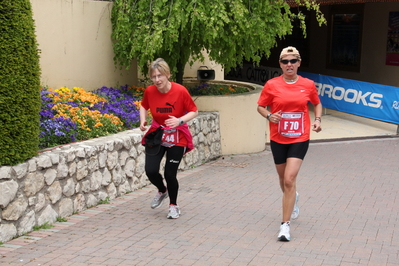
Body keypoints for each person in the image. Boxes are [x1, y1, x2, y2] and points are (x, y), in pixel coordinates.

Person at [257, 46, 322, 241]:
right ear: (280, 65)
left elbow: (316, 102)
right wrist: (269, 115)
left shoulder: (308, 84)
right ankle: (293, 198)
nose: (289, 64)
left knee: (289, 179)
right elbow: (260, 106)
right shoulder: (271, 85)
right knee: (282, 179)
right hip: (278, 137)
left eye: (293, 61)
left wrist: (318, 120)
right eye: (285, 61)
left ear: (299, 63)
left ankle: (284, 226)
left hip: (300, 137)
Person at [140, 58, 198, 219]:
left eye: (160, 75)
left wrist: (179, 120)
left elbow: (194, 111)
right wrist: (143, 120)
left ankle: (173, 205)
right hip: (157, 133)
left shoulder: (180, 91)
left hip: (177, 136)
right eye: (153, 77)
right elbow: (144, 105)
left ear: (167, 75)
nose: (157, 80)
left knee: (170, 174)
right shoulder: (150, 91)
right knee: (150, 170)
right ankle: (162, 190)